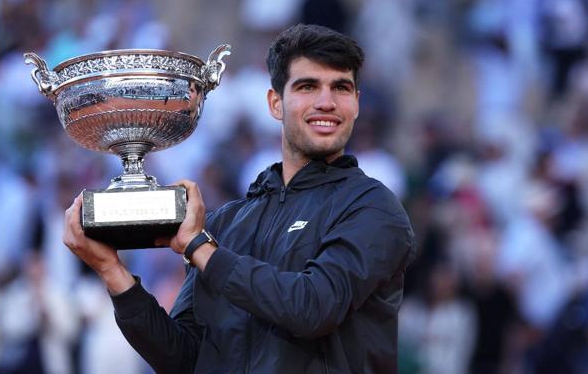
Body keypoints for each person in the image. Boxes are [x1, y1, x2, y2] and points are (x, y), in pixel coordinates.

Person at [63, 24, 415, 373]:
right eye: (307, 87)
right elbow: (183, 360)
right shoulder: (225, 224)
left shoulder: (372, 208)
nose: (326, 102)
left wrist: (200, 248)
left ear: (356, 103)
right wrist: (112, 272)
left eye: (341, 88)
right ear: (275, 103)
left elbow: (313, 308)